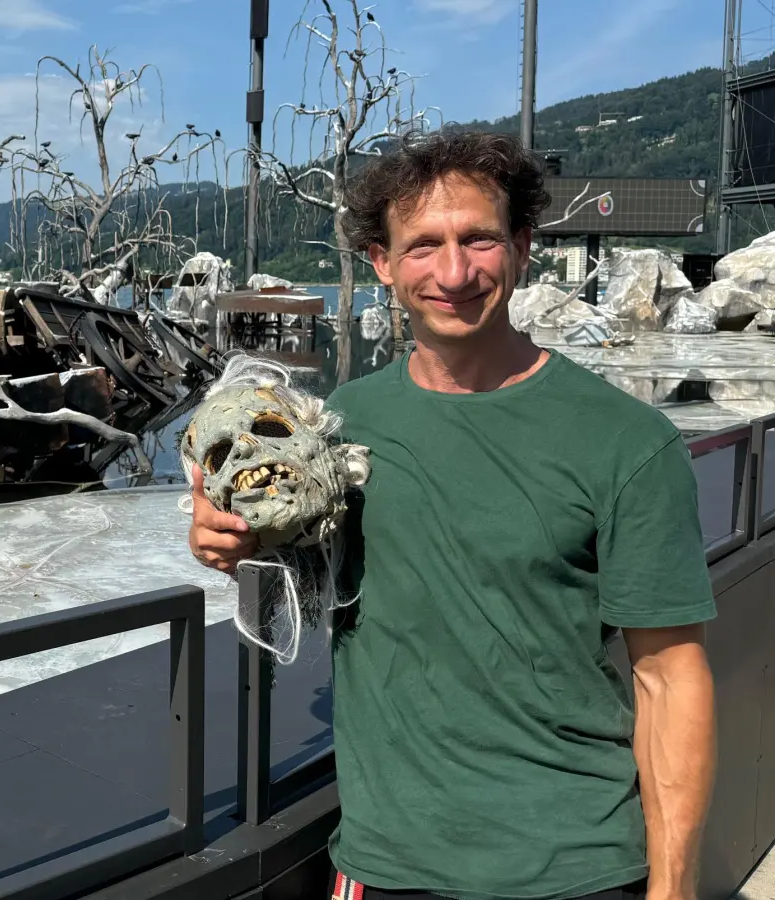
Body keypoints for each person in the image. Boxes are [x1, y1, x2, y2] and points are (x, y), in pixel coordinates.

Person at [188, 131, 717, 900]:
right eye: (423, 246)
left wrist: (675, 892)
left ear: (522, 246)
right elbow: (293, 579)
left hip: (578, 862)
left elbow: (672, 679)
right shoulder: (339, 425)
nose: (454, 271)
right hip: (387, 860)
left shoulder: (626, 441)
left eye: (478, 238)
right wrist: (227, 538)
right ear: (382, 264)